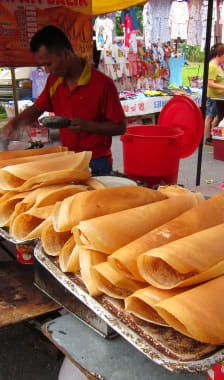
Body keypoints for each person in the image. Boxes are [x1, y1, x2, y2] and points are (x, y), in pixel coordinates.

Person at [1, 25, 126, 175]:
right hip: (67, 157)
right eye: (43, 65)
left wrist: (88, 126)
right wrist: (14, 123)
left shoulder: (102, 84)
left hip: (97, 160)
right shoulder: (54, 81)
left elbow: (120, 127)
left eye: (49, 64)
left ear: (66, 54)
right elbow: (36, 109)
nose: (47, 71)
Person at [205, 43, 224, 146]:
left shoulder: (218, 66)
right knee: (210, 116)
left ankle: (214, 135)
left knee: (218, 116)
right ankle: (208, 138)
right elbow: (210, 83)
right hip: (213, 96)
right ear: (219, 55)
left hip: (219, 97)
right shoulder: (212, 66)